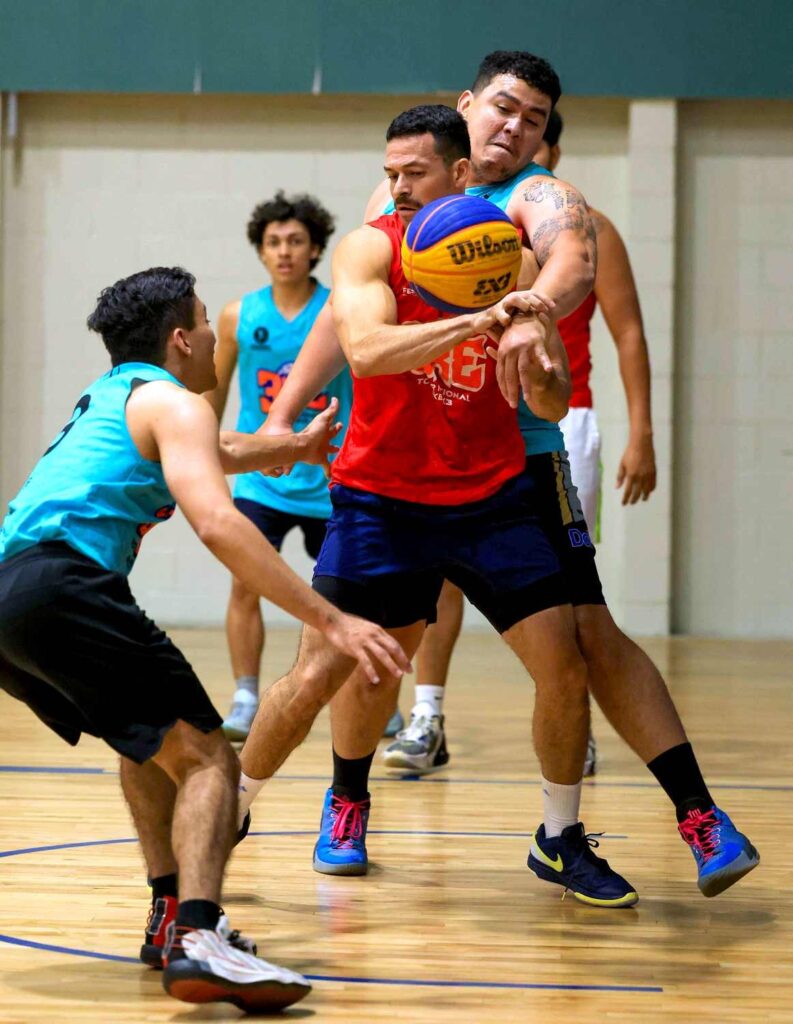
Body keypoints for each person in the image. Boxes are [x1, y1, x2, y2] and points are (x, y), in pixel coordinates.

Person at [254, 52, 760, 905]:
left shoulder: (538, 195)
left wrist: (529, 313)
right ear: (466, 107)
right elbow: (349, 318)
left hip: (517, 457)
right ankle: (347, 798)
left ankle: (680, 815)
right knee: (367, 652)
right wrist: (283, 414)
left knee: (584, 639)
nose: (514, 127)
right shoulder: (401, 192)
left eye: (533, 117)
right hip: (408, 458)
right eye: (502, 107)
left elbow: (572, 261)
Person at [0, 267, 410, 1012]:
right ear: (181, 339)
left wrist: (295, 445)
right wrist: (333, 619)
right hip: (64, 584)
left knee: (151, 744)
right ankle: (199, 933)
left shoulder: (117, 395)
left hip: (11, 596)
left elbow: (214, 448)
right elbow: (219, 522)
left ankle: (168, 917)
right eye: (203, 323)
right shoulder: (174, 401)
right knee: (211, 759)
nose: (217, 337)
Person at [393, 106, 658, 778]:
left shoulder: (586, 227)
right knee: (440, 579)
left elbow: (627, 331)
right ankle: (426, 715)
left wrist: (642, 432)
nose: (515, 139)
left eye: (535, 131)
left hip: (559, 420)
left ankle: (575, 727)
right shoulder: (450, 219)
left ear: (550, 154)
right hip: (466, 407)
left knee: (571, 599)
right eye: (502, 119)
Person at [204, 192, 353, 742]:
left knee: (351, 592)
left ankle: (365, 693)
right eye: (273, 242)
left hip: (332, 473)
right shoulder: (238, 315)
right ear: (261, 251)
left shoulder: (341, 307)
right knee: (246, 584)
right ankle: (246, 696)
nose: (284, 251)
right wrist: (203, 458)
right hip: (262, 478)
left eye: (295, 241)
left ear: (315, 249)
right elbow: (212, 392)